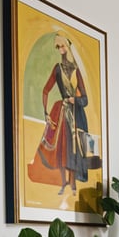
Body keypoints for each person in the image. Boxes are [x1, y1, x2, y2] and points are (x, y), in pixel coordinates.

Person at [28, 31, 91, 195]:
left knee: (74, 149)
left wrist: (74, 101)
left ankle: (73, 185)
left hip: (76, 116)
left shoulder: (76, 71)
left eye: (62, 45)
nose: (60, 49)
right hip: (62, 113)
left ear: (68, 46)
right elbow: (45, 90)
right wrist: (45, 113)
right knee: (61, 150)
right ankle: (64, 183)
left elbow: (85, 100)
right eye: (58, 47)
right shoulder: (57, 68)